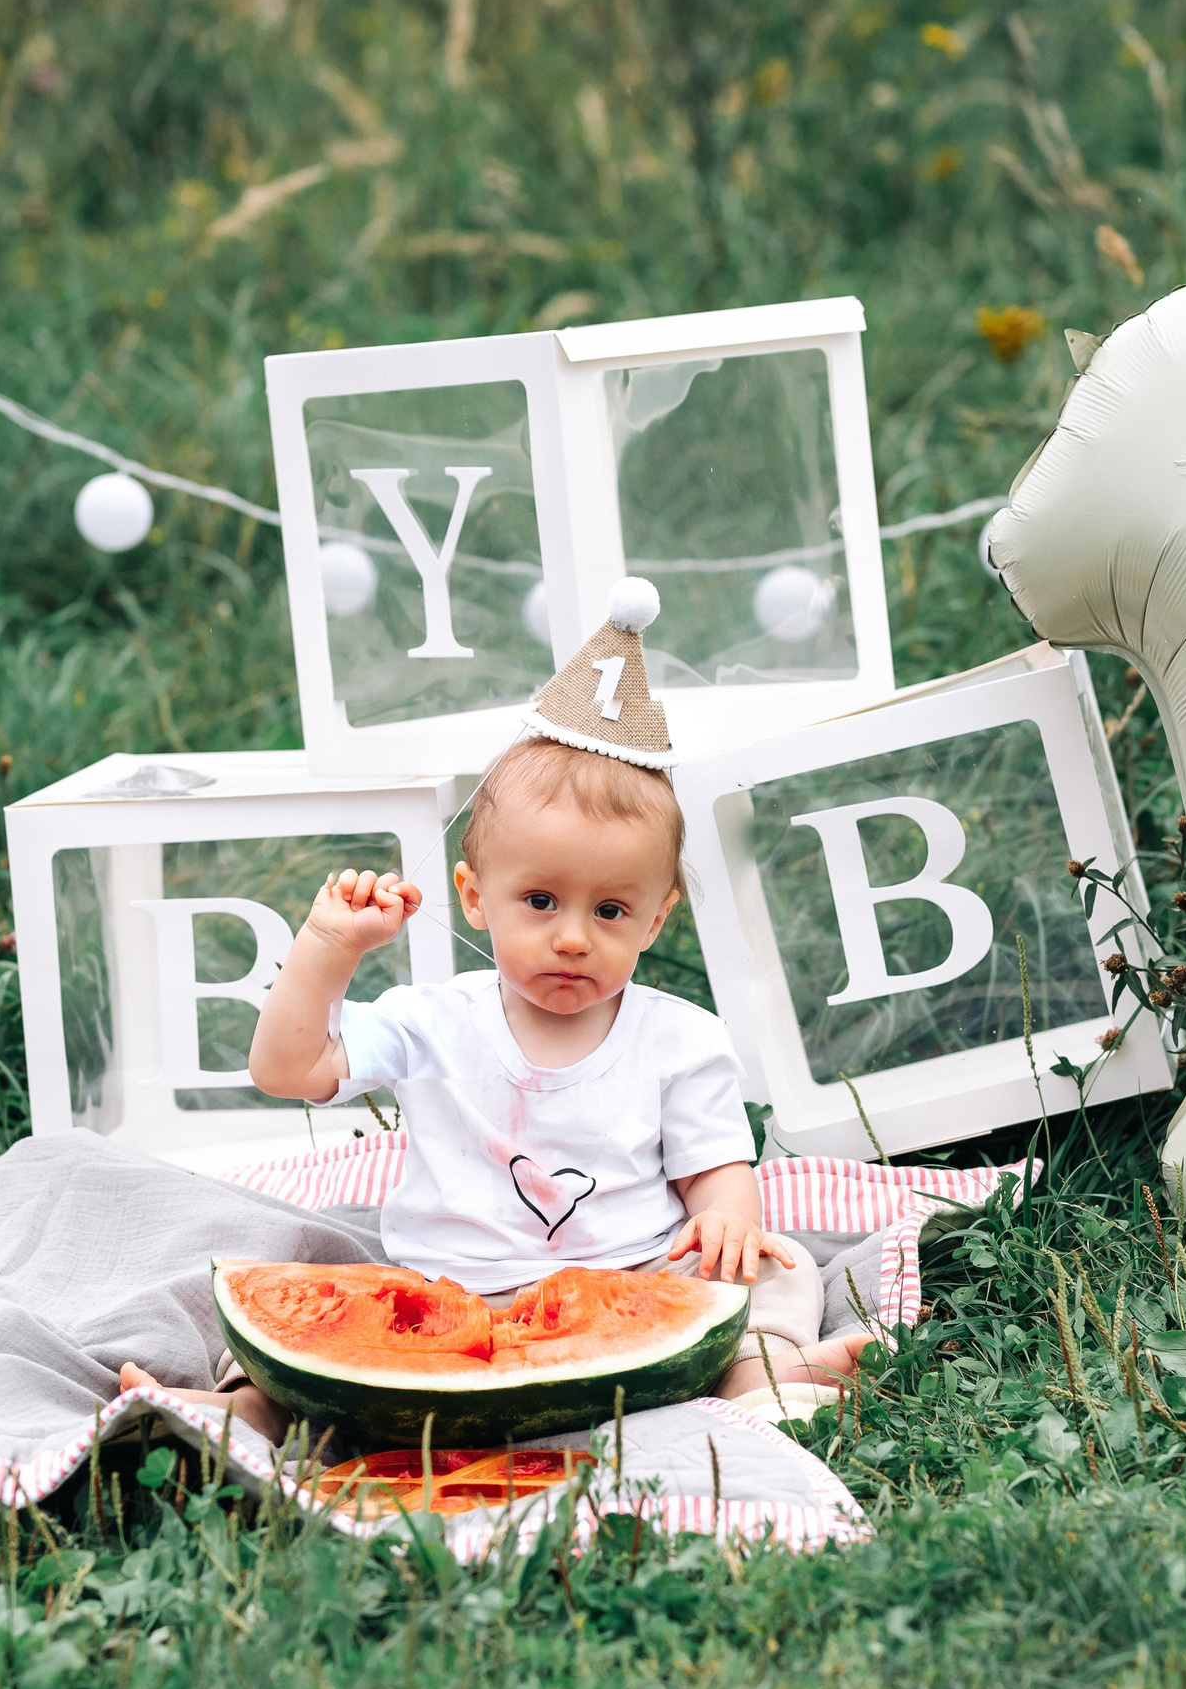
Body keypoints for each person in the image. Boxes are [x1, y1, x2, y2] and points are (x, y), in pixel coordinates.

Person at [117, 579, 867, 1442]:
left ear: (657, 919)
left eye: (611, 911)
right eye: (541, 900)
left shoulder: (680, 1039)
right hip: (446, 1301)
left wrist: (729, 1217)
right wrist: (329, 946)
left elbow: (713, 1167)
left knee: (778, 1269)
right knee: (304, 1313)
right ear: (474, 897)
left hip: (631, 1285)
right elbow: (286, 1068)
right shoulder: (432, 1019)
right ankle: (241, 1414)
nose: (574, 938)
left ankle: (771, 1371)